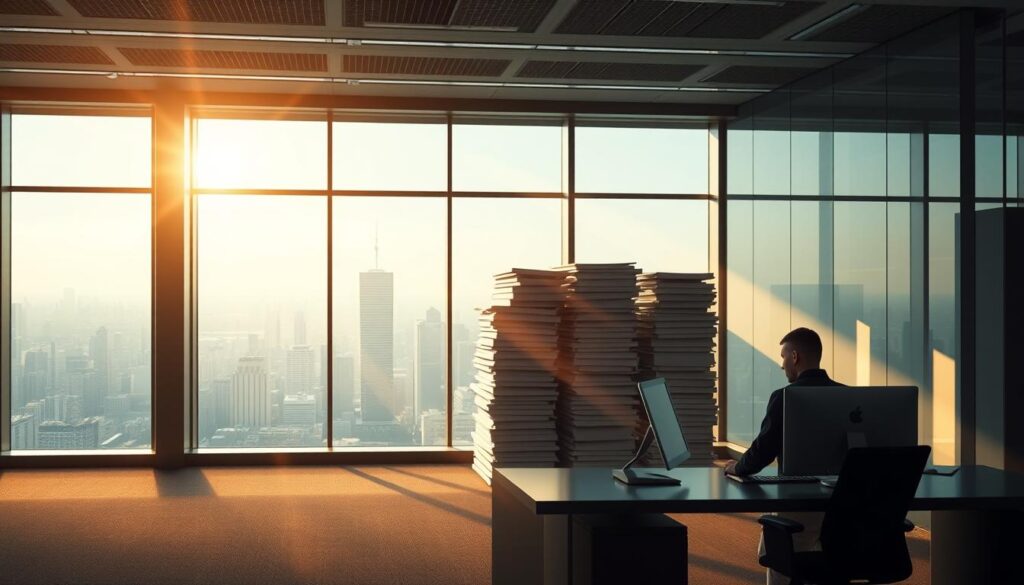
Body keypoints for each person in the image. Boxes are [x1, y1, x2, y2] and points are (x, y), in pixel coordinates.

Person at [723, 327, 843, 585]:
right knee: (833, 558)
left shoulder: (785, 397)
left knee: (777, 554)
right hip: (843, 503)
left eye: (783, 356)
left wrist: (737, 468)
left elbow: (761, 452)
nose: (781, 364)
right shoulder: (847, 396)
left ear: (795, 357)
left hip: (799, 503)